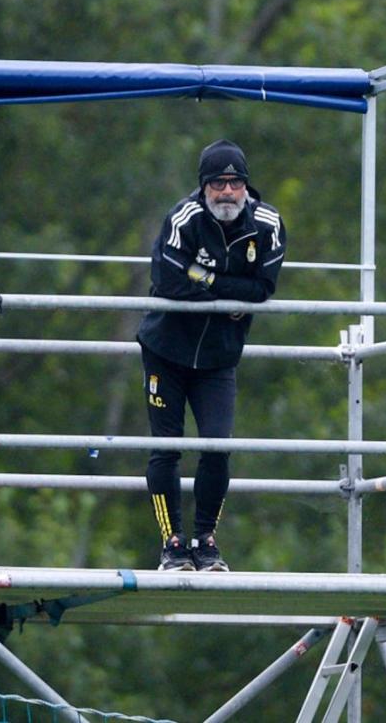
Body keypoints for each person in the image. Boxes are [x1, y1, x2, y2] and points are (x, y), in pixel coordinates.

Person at [136, 139, 287, 572]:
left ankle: (205, 541)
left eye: (235, 182)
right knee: (167, 449)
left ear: (246, 186)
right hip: (166, 349)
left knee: (217, 447)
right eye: (217, 183)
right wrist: (226, 288)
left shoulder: (269, 224)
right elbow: (167, 280)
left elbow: (262, 290)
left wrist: (203, 278)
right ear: (203, 188)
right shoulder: (183, 218)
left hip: (219, 357)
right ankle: (173, 544)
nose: (226, 192)